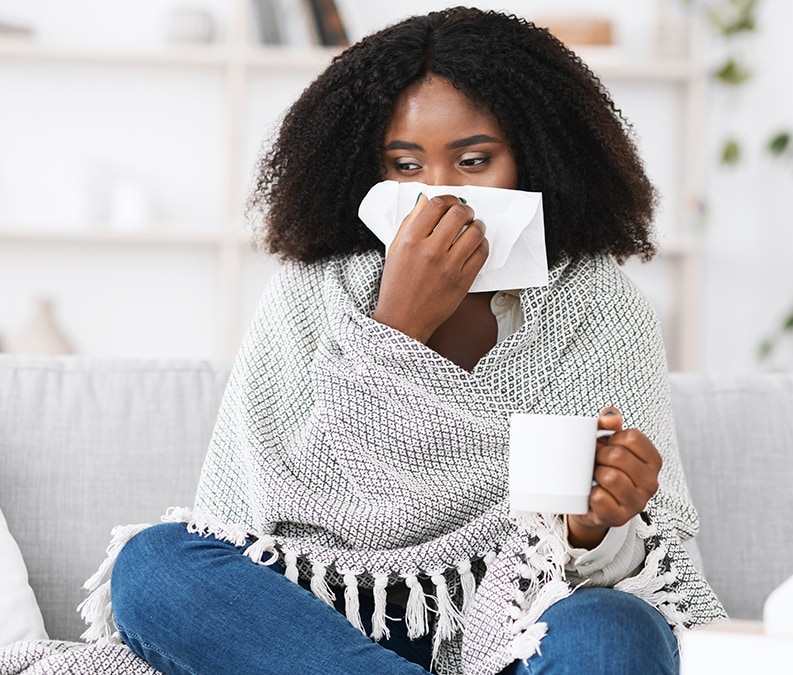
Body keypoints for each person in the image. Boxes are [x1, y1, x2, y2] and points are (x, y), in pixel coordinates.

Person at [91, 7, 724, 675]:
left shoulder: (600, 304)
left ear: (535, 157)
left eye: (474, 160)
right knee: (152, 564)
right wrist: (393, 327)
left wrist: (599, 525)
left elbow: (646, 567)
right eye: (405, 164)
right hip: (314, 626)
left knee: (615, 627)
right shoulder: (311, 294)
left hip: (517, 624)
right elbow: (244, 521)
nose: (438, 195)